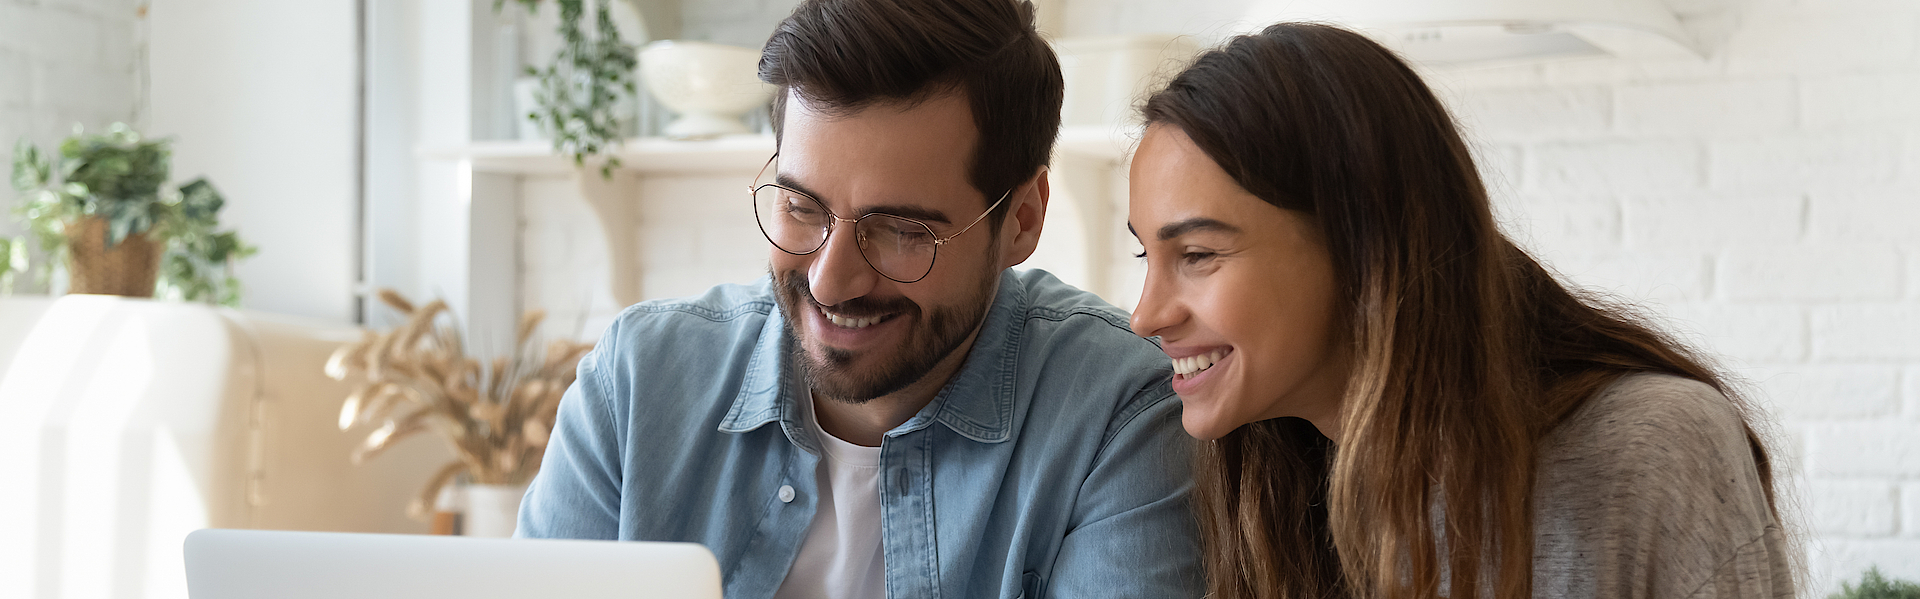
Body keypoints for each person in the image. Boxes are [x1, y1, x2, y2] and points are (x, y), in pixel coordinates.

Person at [517, 0, 1202, 598]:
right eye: (800, 206)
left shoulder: (1119, 414)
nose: (829, 281)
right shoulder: (638, 381)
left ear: (1020, 219)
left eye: (903, 230)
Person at [1124, 22, 1798, 599]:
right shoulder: (1264, 483)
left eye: (1199, 253)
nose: (1146, 315)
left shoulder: (1652, 448)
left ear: (1363, 243)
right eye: (1144, 258)